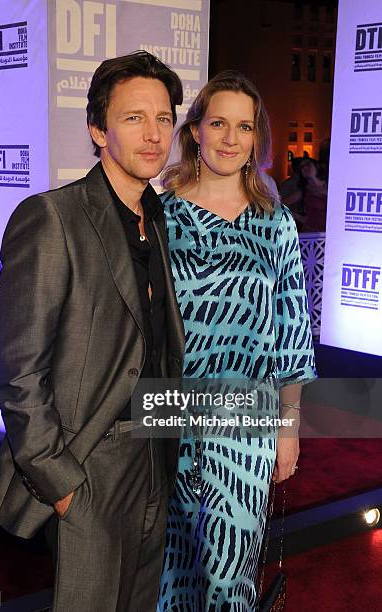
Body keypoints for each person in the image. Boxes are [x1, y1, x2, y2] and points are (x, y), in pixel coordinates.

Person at [0, 51, 185, 612]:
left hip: (155, 453)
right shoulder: (51, 218)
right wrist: (63, 484)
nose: (153, 134)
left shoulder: (162, 218)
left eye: (164, 118)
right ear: (97, 129)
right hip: (87, 463)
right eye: (133, 118)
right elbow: (18, 372)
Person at [158, 70, 316, 610]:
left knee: (228, 577)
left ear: (256, 139)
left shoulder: (275, 224)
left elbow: (293, 330)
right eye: (218, 123)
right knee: (170, 572)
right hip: (166, 415)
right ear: (195, 130)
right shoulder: (160, 217)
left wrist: (288, 430)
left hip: (244, 419)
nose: (229, 138)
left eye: (243, 127)